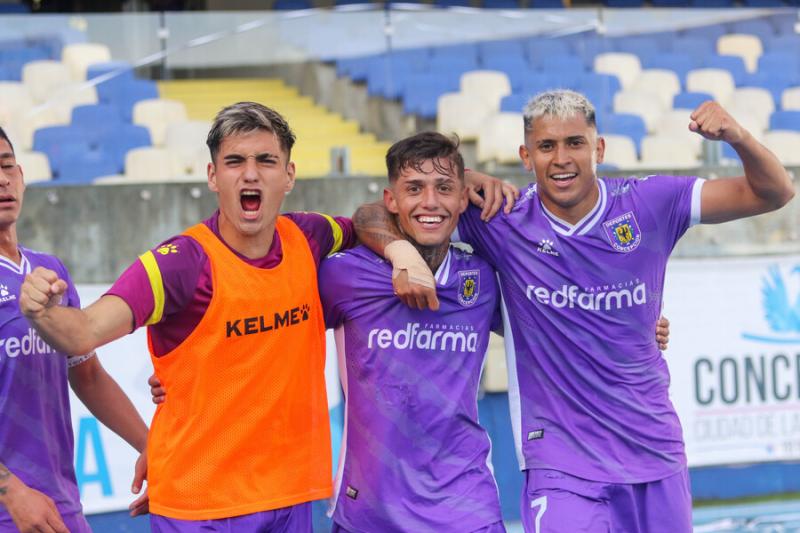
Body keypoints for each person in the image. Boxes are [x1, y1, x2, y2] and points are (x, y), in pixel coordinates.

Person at [354, 91, 794, 532]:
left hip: (656, 452)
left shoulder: (651, 201)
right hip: (560, 464)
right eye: (546, 146)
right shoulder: (499, 217)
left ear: (598, 148)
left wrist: (736, 136)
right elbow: (381, 211)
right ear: (526, 156)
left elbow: (775, 191)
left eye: (574, 143)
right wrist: (404, 247)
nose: (561, 159)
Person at [19, 102, 358, 532]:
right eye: (234, 162)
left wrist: (401, 251)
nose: (250, 174)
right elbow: (83, 332)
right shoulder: (181, 263)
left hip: (288, 499)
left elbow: (367, 223)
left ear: (289, 175)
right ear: (213, 176)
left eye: (266, 160)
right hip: (198, 510)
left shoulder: (309, 235)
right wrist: (41, 311)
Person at [320, 132, 506, 532]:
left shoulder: (484, 281)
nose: (430, 202)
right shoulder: (345, 274)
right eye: (414, 189)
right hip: (370, 513)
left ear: (462, 199)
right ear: (391, 201)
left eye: (444, 188)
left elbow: (553, 323)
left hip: (467, 511)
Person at [0, 127, 149, 533]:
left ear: (22, 176)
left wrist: (152, 447)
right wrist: (11, 492)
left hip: (60, 506)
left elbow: (89, 375)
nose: (2, 179)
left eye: (7, 166)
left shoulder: (50, 270)